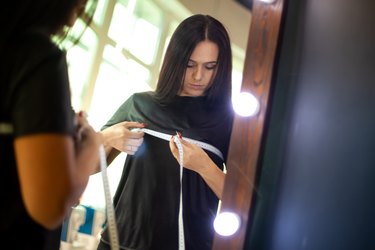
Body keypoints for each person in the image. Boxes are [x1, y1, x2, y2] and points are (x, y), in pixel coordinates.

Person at [97, 14, 234, 250]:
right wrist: (108, 137)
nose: (198, 76)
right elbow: (90, 166)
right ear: (174, 60)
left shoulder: (228, 122)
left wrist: (204, 165)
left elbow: (245, 203)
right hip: (118, 243)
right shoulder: (139, 105)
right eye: (189, 65)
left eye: (210, 67)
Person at [0, 0, 100, 249]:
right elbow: (51, 207)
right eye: (77, 6)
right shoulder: (37, 57)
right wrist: (91, 146)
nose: (71, 22)